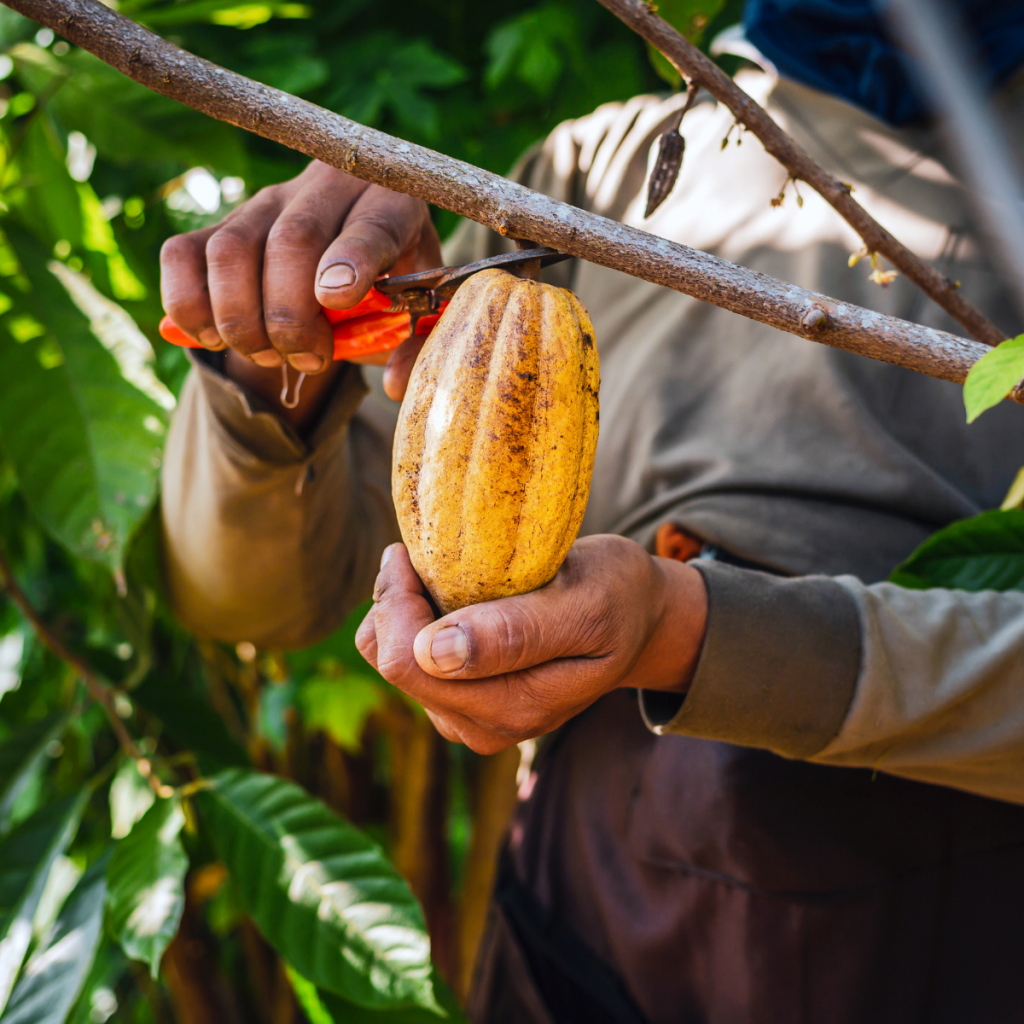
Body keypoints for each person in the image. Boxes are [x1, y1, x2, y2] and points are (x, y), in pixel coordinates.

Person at [159, 1, 1024, 1020]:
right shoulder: (601, 177)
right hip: (587, 905)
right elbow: (256, 594)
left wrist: (685, 629)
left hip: (940, 910)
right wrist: (273, 358)